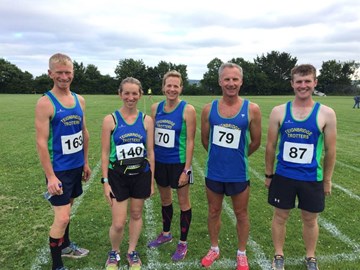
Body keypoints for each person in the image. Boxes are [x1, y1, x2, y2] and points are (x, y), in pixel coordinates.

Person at [265, 64, 337, 270]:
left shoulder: (327, 113)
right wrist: (269, 174)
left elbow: (331, 151)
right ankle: (278, 254)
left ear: (315, 83)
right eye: (299, 81)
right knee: (280, 216)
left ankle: (311, 257)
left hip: (311, 177)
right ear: (292, 84)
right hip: (284, 175)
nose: (303, 85)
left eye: (307, 81)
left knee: (310, 218)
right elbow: (270, 146)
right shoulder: (279, 111)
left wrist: (328, 180)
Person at [200, 62, 262, 270]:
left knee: (241, 214)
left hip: (238, 173)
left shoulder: (252, 109)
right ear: (220, 81)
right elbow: (205, 140)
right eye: (227, 79)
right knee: (213, 211)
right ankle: (214, 248)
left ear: (241, 81)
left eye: (235, 79)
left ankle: (241, 253)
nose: (231, 83)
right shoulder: (209, 109)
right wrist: (220, 157)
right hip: (214, 172)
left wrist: (238, 157)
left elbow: (255, 142)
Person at [35, 53, 91, 270]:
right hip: (58, 170)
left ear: (73, 73)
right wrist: (50, 176)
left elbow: (84, 133)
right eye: (59, 72)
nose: (64, 76)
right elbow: (41, 142)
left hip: (76, 167)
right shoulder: (45, 103)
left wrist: (85, 163)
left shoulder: (80, 100)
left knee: (68, 208)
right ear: (50, 73)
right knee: (62, 217)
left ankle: (66, 246)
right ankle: (57, 265)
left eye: (67, 72)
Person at [101, 77, 155, 270]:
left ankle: (131, 251)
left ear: (140, 95)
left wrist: (151, 181)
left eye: (134, 93)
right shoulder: (111, 120)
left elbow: (150, 152)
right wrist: (105, 181)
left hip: (140, 174)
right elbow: (105, 153)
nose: (130, 97)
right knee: (118, 223)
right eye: (127, 93)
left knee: (136, 213)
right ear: (120, 94)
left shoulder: (146, 120)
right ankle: (114, 252)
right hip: (118, 177)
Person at [147, 70, 196, 261]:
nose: (172, 89)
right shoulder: (155, 108)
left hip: (178, 163)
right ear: (163, 87)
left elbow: (190, 141)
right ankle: (166, 234)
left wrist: (187, 169)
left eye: (176, 86)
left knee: (184, 202)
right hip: (160, 162)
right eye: (169, 85)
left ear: (181, 88)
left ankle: (183, 243)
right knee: (165, 200)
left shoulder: (187, 110)